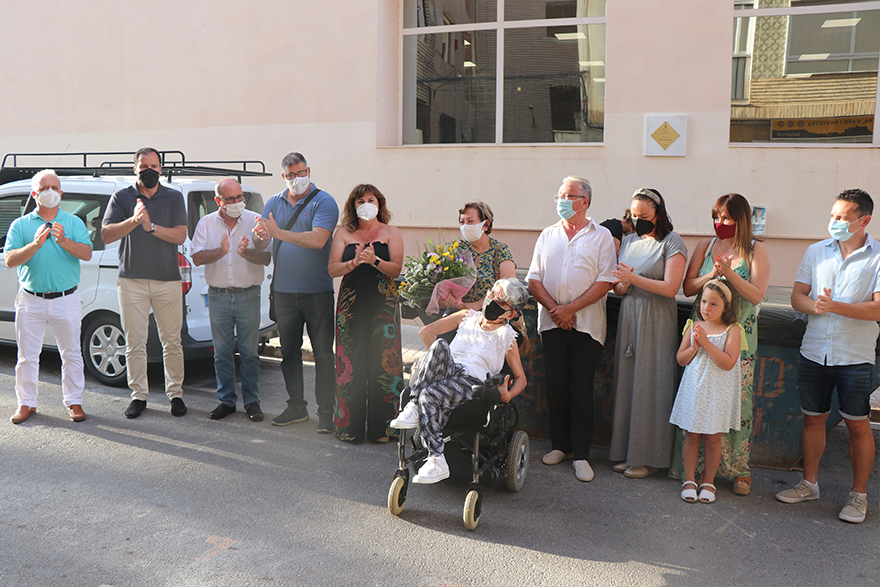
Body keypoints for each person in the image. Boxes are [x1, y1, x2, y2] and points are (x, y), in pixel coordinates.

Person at [776, 189, 879, 524]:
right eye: (833, 215)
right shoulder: (816, 251)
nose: (834, 222)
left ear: (864, 220)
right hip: (815, 350)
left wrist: (837, 307)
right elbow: (797, 296)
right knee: (813, 418)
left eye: (842, 218)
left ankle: (858, 496)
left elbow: (878, 307)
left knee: (858, 425)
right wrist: (816, 306)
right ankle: (809, 483)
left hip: (855, 355)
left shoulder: (877, 256)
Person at [672, 193, 770, 496]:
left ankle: (737, 469)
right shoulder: (705, 246)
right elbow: (688, 288)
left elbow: (756, 295)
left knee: (735, 401)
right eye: (717, 217)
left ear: (741, 220)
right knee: (698, 397)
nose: (720, 223)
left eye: (727, 218)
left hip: (736, 335)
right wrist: (712, 275)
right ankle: (690, 470)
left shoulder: (756, 250)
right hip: (701, 330)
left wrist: (730, 275)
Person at [390, 278, 528, 483]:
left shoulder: (506, 335)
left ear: (511, 313)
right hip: (448, 371)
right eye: (491, 294)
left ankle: (437, 459)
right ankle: (414, 406)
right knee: (439, 347)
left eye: (500, 301)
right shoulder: (466, 317)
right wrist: (435, 365)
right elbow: (425, 332)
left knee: (429, 394)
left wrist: (507, 394)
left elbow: (521, 379)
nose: (491, 301)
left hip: (471, 382)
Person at [527, 176, 616, 482]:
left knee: (581, 388)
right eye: (560, 196)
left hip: (586, 325)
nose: (562, 201)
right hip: (552, 323)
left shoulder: (601, 236)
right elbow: (533, 279)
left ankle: (581, 454)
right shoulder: (547, 234)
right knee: (555, 385)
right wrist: (557, 310)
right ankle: (560, 446)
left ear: (585, 201)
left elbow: (605, 280)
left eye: (569, 196)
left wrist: (571, 309)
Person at [254, 152, 339, 431]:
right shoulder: (273, 203)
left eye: (300, 173)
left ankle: (327, 412)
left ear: (308, 171)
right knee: (289, 353)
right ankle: (296, 407)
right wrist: (259, 238)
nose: (296, 180)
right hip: (284, 292)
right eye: (290, 175)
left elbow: (318, 239)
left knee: (324, 355)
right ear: (283, 177)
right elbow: (263, 242)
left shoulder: (324, 201)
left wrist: (278, 233)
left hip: (316, 292)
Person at [102, 148, 188, 419]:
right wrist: (134, 220)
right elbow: (106, 234)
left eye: (153, 165)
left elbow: (180, 236)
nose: (148, 170)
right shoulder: (122, 196)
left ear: (161, 168)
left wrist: (150, 227)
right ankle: (139, 395)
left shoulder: (173, 197)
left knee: (171, 342)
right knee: (134, 342)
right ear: (135, 168)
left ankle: (175, 394)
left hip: (167, 281)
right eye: (143, 166)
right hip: (132, 281)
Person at [610, 188, 687, 478]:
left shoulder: (672, 241)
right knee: (628, 382)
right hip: (630, 312)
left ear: (658, 213)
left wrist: (633, 278)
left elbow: (670, 288)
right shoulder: (628, 241)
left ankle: (650, 457)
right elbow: (619, 286)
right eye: (634, 215)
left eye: (644, 216)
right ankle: (627, 452)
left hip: (657, 315)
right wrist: (623, 283)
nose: (638, 220)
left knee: (652, 384)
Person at [5, 170, 92, 424]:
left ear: (61, 193)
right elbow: (10, 259)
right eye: (44, 188)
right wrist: (34, 245)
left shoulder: (74, 222)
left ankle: (74, 401)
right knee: (27, 356)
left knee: (72, 353)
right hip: (31, 299)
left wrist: (63, 240)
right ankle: (26, 403)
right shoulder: (21, 225)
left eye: (54, 187)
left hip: (66, 299)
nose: (50, 192)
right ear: (34, 194)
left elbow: (86, 253)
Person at [328, 184, 404, 442]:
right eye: (360, 201)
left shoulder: (391, 232)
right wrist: (353, 262)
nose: (366, 204)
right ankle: (349, 428)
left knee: (384, 362)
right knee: (350, 362)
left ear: (379, 203)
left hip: (384, 304)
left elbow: (395, 270)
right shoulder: (343, 233)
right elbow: (332, 269)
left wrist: (375, 261)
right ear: (353, 206)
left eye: (370, 199)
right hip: (351, 304)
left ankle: (384, 429)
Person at [191, 178, 271, 422]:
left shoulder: (254, 220)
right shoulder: (206, 223)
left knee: (249, 353)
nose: (238, 202)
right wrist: (221, 252)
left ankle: (252, 402)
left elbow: (266, 258)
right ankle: (226, 401)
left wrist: (248, 252)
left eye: (240, 197)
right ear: (219, 201)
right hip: (219, 296)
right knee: (222, 353)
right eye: (231, 199)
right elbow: (196, 257)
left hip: (248, 295)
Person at [670, 280, 745, 504]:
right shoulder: (693, 326)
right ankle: (689, 480)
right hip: (695, 390)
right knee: (692, 435)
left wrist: (706, 344)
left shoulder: (733, 330)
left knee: (713, 439)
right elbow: (681, 359)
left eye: (714, 304)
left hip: (718, 393)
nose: (706, 308)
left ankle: (709, 482)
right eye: (704, 301)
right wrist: (694, 345)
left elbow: (728, 362)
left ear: (726, 308)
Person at [440, 201, 515, 311]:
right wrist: (447, 299)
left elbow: (508, 291)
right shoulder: (459, 251)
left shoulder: (500, 251)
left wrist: (476, 305)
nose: (465, 226)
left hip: (490, 318)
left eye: (470, 221)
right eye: (462, 222)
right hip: (459, 317)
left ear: (486, 225)